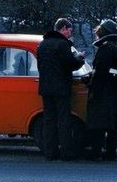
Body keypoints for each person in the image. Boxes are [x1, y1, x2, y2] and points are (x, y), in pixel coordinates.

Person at [36, 17, 86, 161]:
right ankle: (66, 152)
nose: (70, 34)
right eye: (69, 31)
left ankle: (50, 153)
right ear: (63, 28)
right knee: (64, 120)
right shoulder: (63, 44)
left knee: (49, 120)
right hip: (61, 88)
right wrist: (80, 58)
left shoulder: (42, 44)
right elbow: (70, 64)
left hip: (45, 87)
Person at [85, 19, 117, 161]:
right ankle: (110, 152)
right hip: (113, 89)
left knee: (98, 123)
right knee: (112, 124)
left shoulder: (105, 49)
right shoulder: (114, 48)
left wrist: (91, 85)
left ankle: (96, 152)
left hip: (103, 91)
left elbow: (100, 71)